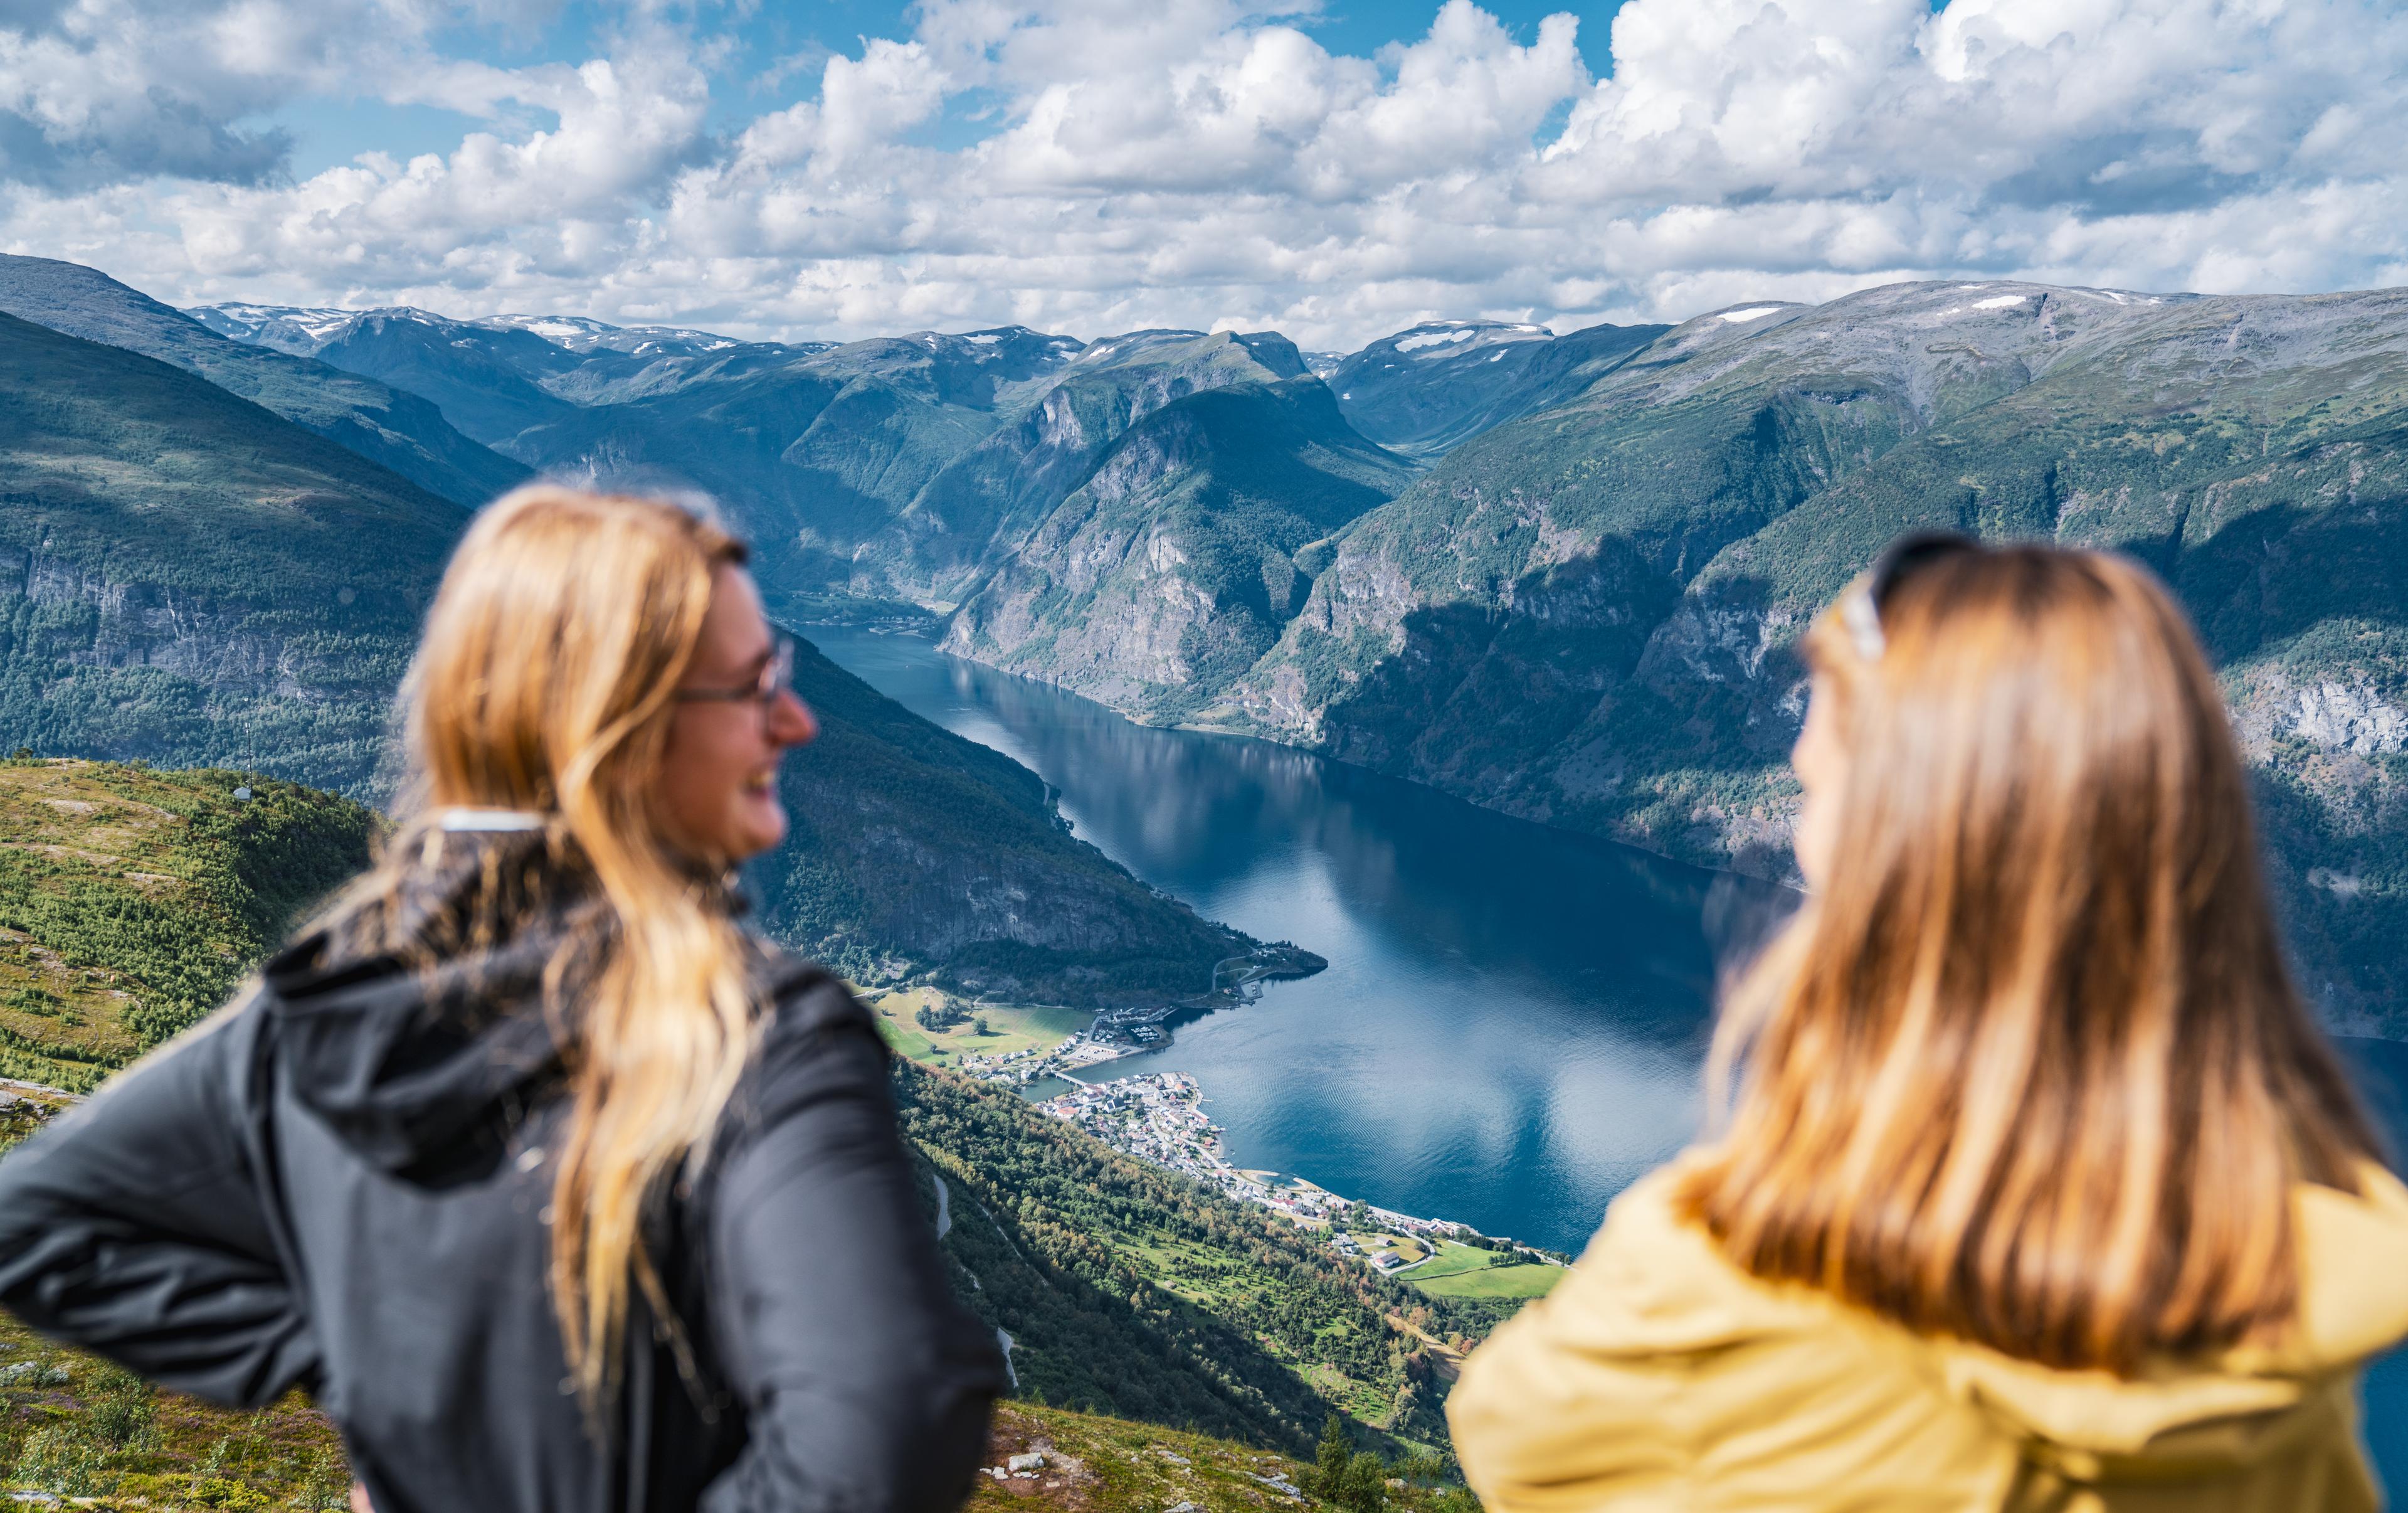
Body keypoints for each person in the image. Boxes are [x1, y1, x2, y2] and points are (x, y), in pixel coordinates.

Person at [0, 486, 1005, 1513]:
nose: (795, 721)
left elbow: (33, 1220)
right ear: (624, 727)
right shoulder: (747, 1032)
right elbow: (895, 1421)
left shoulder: (320, 1011)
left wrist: (358, 1361)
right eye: (754, 687)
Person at [1448, 536, 2408, 1511]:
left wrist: (1752, 1166)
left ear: (1901, 852)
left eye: (1817, 792)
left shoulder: (1745, 1288)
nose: (1792, 790)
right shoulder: (2294, 1291)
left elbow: (1513, 1438)